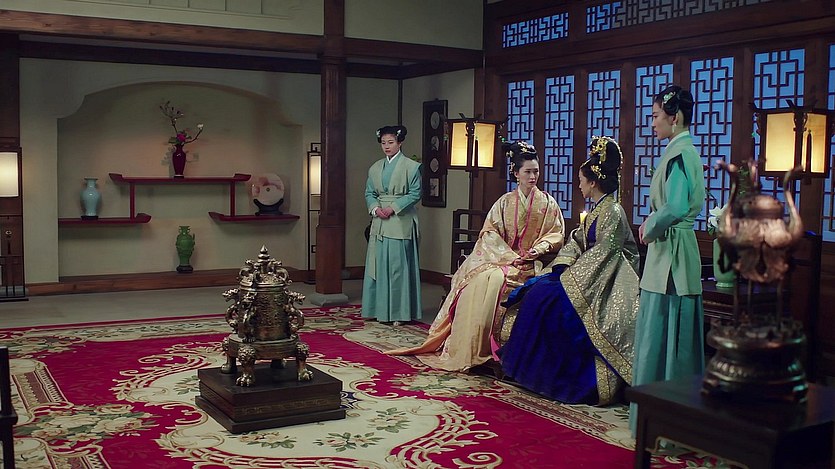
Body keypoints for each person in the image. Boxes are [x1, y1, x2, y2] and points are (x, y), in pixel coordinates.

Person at [387, 141, 565, 371]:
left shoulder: (548, 204)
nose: (533, 177)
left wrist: (536, 250)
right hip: (503, 259)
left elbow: (556, 233)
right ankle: (473, 347)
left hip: (532, 263)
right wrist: (509, 256)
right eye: (527, 172)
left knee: (496, 281)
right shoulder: (504, 202)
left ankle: (491, 349)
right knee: (480, 281)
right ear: (516, 173)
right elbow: (489, 233)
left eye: (536, 172)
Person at [497, 136, 639, 405]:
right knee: (537, 293)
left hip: (607, 280)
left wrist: (570, 278)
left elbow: (605, 254)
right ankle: (530, 373)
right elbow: (577, 240)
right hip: (587, 274)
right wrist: (562, 264)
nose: (579, 185)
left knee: (550, 302)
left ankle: (560, 379)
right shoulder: (598, 210)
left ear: (593, 182)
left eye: (582, 180)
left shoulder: (613, 211)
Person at [629, 85, 706, 429]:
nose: (652, 123)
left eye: (656, 116)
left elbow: (674, 207)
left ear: (675, 118)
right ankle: (668, 421)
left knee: (664, 334)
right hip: (675, 250)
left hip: (671, 255)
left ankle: (662, 422)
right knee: (669, 336)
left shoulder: (679, 154)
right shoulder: (683, 151)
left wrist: (649, 226)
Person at [361, 125, 423, 324]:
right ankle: (377, 310)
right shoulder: (375, 168)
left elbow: (415, 193)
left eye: (391, 142)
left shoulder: (411, 167)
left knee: (398, 268)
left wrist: (393, 208)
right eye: (383, 143)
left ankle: (399, 313)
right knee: (377, 265)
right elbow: (369, 192)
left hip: (400, 221)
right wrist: (375, 208)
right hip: (380, 221)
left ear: (400, 143)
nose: (386, 146)